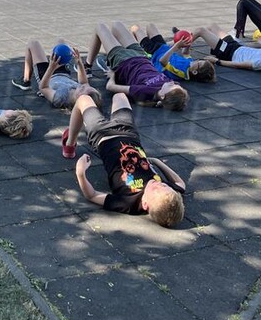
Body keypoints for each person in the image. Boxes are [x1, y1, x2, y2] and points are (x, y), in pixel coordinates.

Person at [63, 92, 186, 228]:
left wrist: (80, 173)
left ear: (145, 204)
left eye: (156, 189)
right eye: (165, 186)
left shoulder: (129, 202)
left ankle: (69, 144)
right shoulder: (168, 194)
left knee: (83, 99)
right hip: (129, 132)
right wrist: (158, 162)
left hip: (102, 135)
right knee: (120, 96)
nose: (159, 184)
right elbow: (180, 184)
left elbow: (92, 196)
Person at [86, 22, 189, 110]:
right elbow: (177, 95)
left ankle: (87, 66)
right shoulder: (170, 87)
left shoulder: (144, 92)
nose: (172, 82)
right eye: (176, 85)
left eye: (171, 85)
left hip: (123, 62)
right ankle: (107, 60)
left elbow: (110, 87)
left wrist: (112, 75)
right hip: (141, 56)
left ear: (162, 95)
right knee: (117, 25)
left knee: (100, 27)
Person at [11, 40, 103, 109]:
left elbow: (43, 88)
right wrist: (79, 63)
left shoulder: (60, 98)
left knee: (33, 43)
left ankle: (25, 81)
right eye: (89, 87)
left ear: (80, 97)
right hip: (63, 73)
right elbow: (84, 82)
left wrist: (51, 67)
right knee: (61, 43)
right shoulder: (84, 91)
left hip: (46, 77)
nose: (84, 86)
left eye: (83, 88)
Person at [129, 23, 216, 83]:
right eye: (199, 60)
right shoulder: (190, 64)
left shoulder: (181, 72)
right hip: (163, 47)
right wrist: (188, 42)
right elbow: (185, 53)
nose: (197, 60)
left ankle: (136, 48)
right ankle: (140, 43)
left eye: (199, 63)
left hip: (154, 53)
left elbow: (162, 61)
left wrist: (176, 47)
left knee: (135, 28)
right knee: (150, 26)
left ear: (195, 72)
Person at [192, 23, 261, 71]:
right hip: (236, 47)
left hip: (228, 53)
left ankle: (183, 45)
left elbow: (239, 65)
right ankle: (188, 40)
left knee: (201, 30)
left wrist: (217, 61)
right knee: (212, 26)